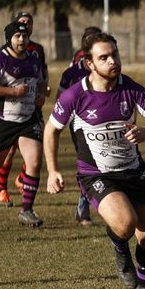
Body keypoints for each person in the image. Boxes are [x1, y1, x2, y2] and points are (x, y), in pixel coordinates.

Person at [44, 32, 145, 289]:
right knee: (126, 224)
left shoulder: (131, 88)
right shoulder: (75, 95)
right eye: (104, 57)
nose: (112, 61)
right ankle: (120, 252)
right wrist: (53, 171)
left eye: (114, 54)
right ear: (89, 63)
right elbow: (51, 130)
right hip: (96, 175)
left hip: (134, 170)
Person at [0, 21, 47, 229]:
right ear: (9, 39)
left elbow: (42, 81)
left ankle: (26, 210)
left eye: (24, 36)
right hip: (1, 121)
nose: (22, 40)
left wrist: (41, 95)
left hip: (27, 119)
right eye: (17, 36)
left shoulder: (34, 59)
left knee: (34, 161)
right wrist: (13, 92)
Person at [0, 11, 49, 208]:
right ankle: (1, 188)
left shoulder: (38, 49)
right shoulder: (5, 50)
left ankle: (22, 179)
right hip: (11, 110)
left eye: (29, 22)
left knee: (37, 146)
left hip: (32, 107)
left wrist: (42, 93)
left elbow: (43, 74)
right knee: (9, 151)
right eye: (22, 22)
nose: (26, 25)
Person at [56, 26, 102, 226]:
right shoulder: (71, 74)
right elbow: (60, 100)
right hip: (79, 126)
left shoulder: (106, 70)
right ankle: (84, 207)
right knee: (90, 163)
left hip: (104, 124)